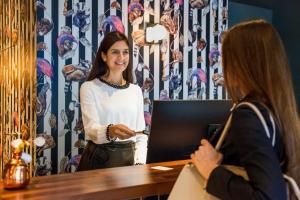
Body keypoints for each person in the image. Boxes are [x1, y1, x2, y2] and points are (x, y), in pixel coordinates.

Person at [191, 19, 300, 199]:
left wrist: (212, 171)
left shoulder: (248, 115)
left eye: (226, 58)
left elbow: (269, 196)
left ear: (240, 63)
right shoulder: (279, 112)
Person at [77, 31, 147, 171]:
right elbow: (91, 130)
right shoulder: (89, 88)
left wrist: (139, 164)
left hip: (129, 163)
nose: (121, 57)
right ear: (104, 56)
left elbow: (140, 136)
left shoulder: (135, 90)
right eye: (115, 52)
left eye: (125, 52)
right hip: (98, 162)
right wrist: (111, 131)